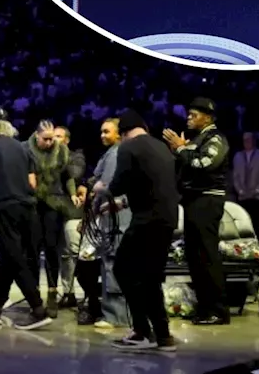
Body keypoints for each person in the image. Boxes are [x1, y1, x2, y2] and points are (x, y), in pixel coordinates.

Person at [98, 109, 179, 352]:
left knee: (123, 268)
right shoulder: (161, 147)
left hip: (147, 221)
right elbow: (151, 183)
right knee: (150, 277)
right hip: (167, 219)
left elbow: (119, 183)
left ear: (123, 133)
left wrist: (103, 189)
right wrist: (123, 204)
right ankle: (163, 336)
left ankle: (142, 331)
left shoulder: (128, 147)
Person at [0, 117, 52, 330]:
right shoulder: (25, 149)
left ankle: (38, 309)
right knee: (10, 257)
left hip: (5, 207)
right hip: (28, 207)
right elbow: (32, 184)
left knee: (15, 259)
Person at [163, 97, 231, 325]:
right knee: (195, 257)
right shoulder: (198, 139)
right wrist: (181, 151)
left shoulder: (216, 138)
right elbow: (186, 166)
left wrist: (181, 149)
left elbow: (204, 165)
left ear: (208, 118)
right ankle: (204, 307)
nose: (188, 118)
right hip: (193, 201)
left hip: (207, 201)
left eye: (194, 115)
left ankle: (218, 310)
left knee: (207, 256)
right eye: (188, 114)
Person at [26, 120, 83, 316]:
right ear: (36, 135)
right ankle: (33, 295)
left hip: (53, 201)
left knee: (51, 245)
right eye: (46, 139)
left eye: (52, 139)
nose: (50, 143)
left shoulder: (61, 151)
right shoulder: (26, 149)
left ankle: (52, 291)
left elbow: (68, 175)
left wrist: (73, 192)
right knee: (32, 247)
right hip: (32, 201)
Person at [78, 116, 130, 328]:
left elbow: (106, 186)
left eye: (107, 132)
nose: (102, 135)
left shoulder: (117, 153)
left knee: (111, 264)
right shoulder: (111, 153)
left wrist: (95, 192)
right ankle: (104, 311)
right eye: (101, 131)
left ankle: (114, 316)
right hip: (106, 216)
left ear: (118, 133)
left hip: (113, 216)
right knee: (102, 263)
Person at [53, 125, 88, 309]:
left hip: (72, 212)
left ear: (66, 140)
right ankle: (68, 293)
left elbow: (75, 174)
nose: (55, 139)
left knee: (71, 252)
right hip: (54, 212)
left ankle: (83, 292)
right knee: (61, 254)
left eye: (59, 136)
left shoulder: (76, 156)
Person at [232, 132, 259, 236]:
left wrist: (256, 191)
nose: (247, 142)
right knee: (244, 225)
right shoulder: (238, 156)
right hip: (243, 197)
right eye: (244, 139)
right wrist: (240, 190)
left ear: (254, 140)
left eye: (249, 139)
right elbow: (235, 176)